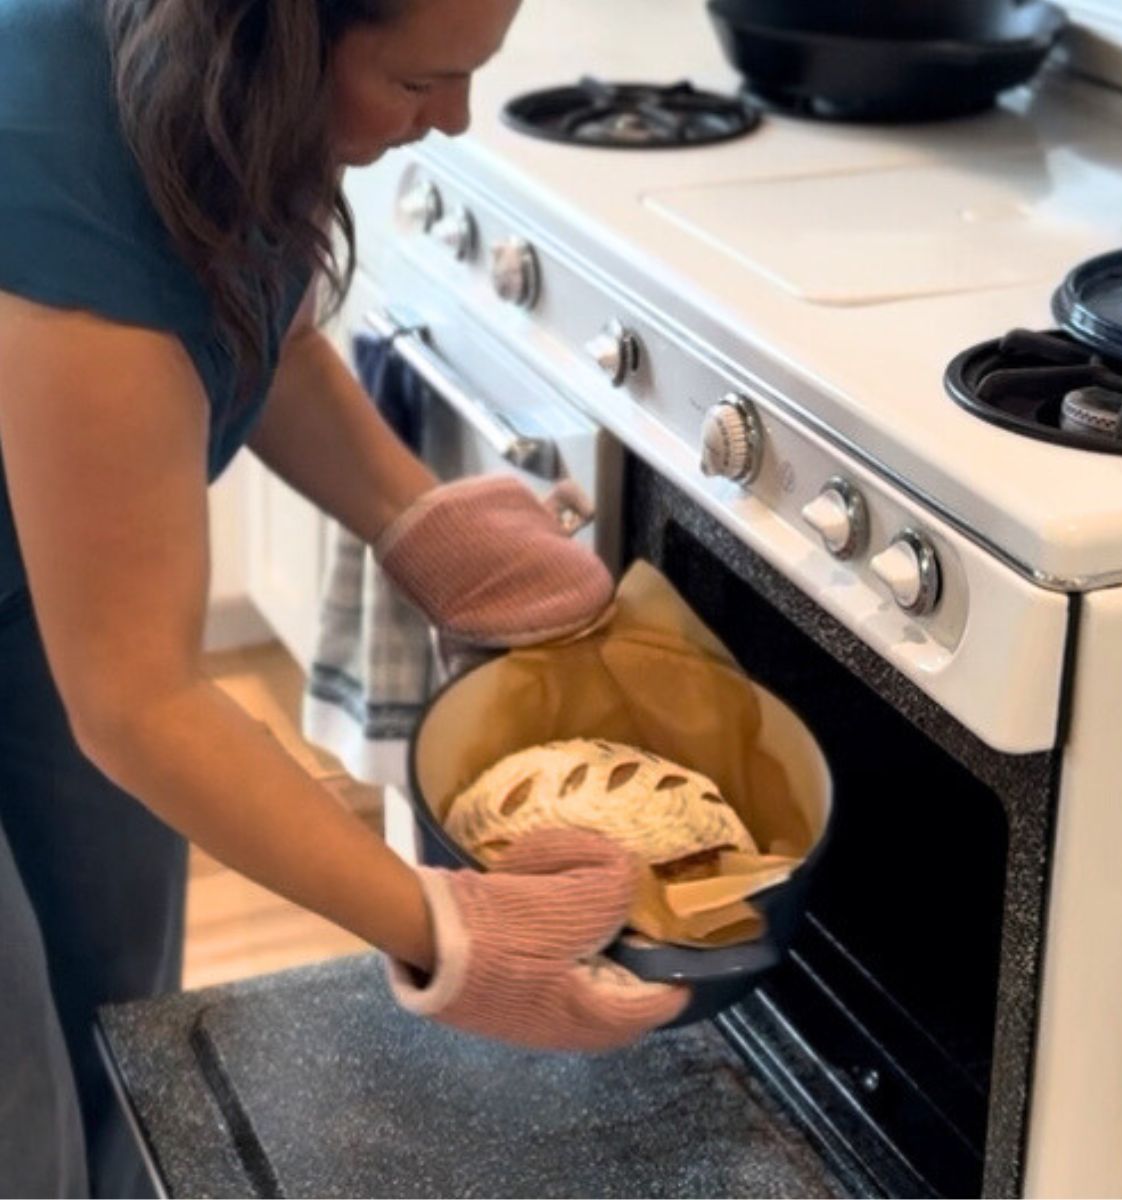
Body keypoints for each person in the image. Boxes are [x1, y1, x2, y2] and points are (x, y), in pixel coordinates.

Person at [0, 1, 687, 1195]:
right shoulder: (58, 152)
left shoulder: (214, 95)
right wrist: (449, 929)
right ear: (277, 38)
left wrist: (428, 524)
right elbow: (138, 702)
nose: (457, 120)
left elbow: (237, 317)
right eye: (423, 79)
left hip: (42, 557)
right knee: (11, 1091)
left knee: (114, 987)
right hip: (75, 603)